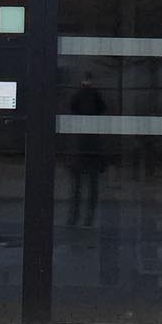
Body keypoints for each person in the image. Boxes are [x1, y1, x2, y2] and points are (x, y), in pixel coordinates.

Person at [65, 70, 108, 227]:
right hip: (91, 148)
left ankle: (75, 216)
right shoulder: (95, 97)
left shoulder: (80, 97)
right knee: (90, 185)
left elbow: (72, 107)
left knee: (78, 186)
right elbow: (102, 108)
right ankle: (87, 216)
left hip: (81, 147)